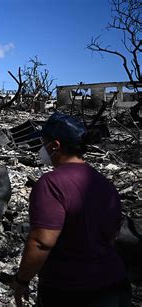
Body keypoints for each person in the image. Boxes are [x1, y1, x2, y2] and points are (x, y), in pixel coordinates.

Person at [12, 112, 130, 307]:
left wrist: (22, 280)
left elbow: (42, 242)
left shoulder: (51, 184)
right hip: (115, 286)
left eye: (43, 142)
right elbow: (111, 236)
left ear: (55, 145)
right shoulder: (104, 183)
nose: (42, 148)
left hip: (72, 292)